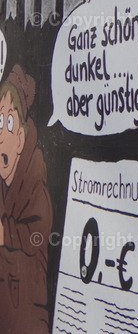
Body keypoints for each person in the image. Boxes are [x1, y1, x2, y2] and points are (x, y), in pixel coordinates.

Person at [0, 65, 51, 334]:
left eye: (8, 123)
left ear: (20, 137)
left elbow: (37, 235)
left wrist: (4, 232)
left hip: (26, 316)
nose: (0, 133)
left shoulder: (34, 184)